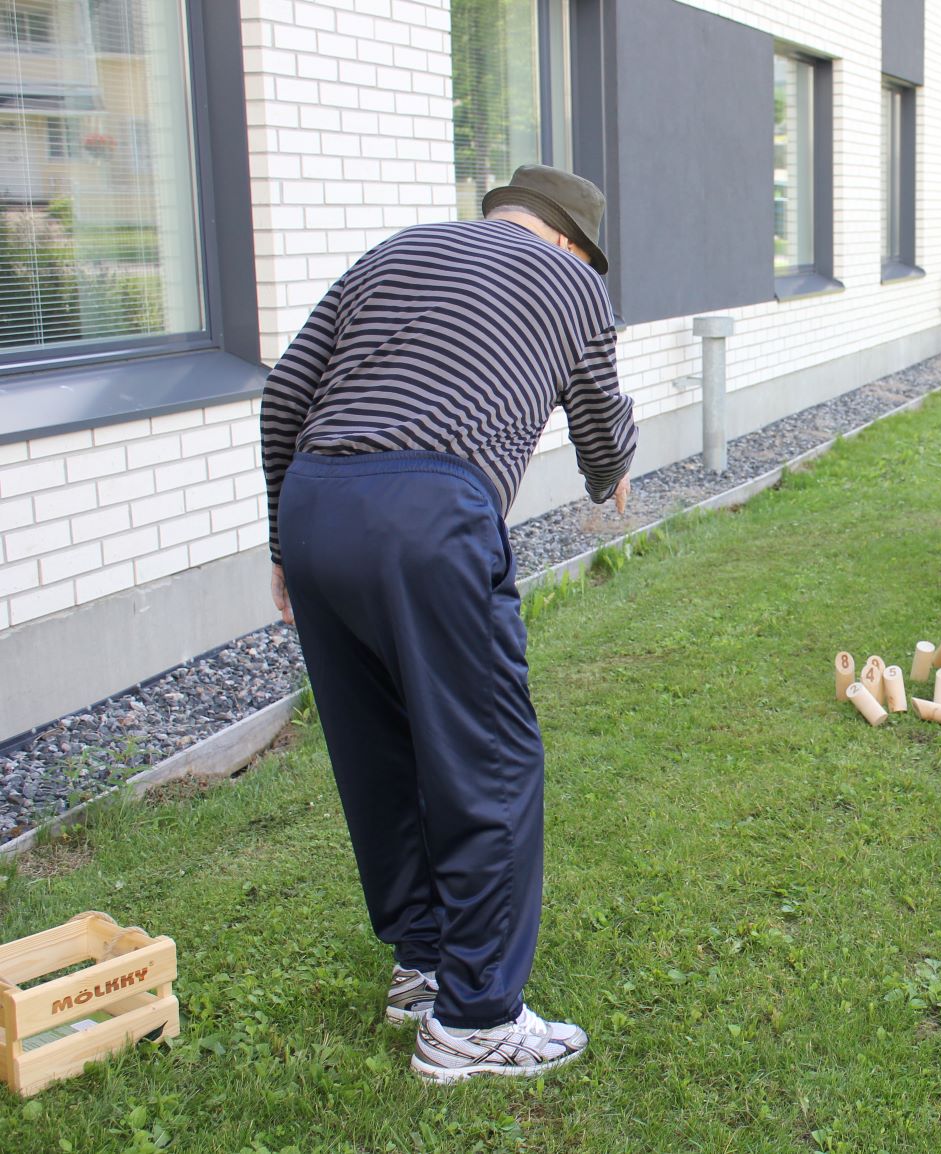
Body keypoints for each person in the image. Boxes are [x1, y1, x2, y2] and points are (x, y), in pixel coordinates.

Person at [259, 165, 636, 1084]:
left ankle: (423, 964)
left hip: (316, 503)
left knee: (379, 750)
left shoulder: (397, 250)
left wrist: (283, 542)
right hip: (426, 515)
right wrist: (608, 476)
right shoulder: (572, 282)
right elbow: (599, 418)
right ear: (573, 241)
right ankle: (475, 1020)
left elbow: (285, 397)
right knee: (487, 759)